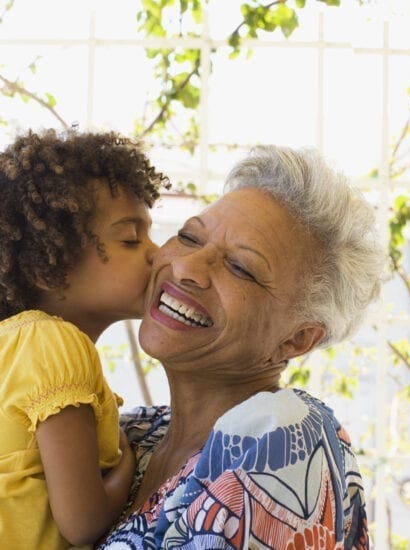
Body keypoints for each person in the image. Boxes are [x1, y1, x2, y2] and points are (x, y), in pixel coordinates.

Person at [97, 145, 385, 549]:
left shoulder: (280, 441)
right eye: (189, 236)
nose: (186, 268)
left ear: (298, 338)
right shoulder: (136, 431)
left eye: (240, 268)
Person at [0, 128, 169, 549]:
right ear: (49, 264)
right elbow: (82, 522)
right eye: (131, 238)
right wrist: (130, 468)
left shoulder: (16, 346)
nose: (157, 252)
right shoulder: (54, 343)